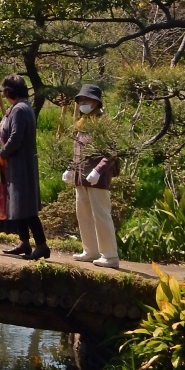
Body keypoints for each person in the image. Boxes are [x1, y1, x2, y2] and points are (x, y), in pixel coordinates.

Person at [62, 83, 119, 269]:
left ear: (96, 102)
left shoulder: (105, 123)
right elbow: (77, 150)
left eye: (86, 99)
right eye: (81, 100)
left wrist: (98, 170)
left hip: (97, 178)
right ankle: (90, 251)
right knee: (83, 214)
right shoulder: (81, 123)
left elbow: (111, 151)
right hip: (81, 176)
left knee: (101, 215)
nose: (83, 103)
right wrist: (71, 168)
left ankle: (110, 256)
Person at [0, 74, 49, 260]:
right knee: (17, 205)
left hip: (21, 165)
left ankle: (41, 244)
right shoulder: (25, 108)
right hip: (19, 164)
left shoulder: (19, 110)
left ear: (9, 92)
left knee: (26, 207)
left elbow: (16, 137)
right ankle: (24, 242)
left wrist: (2, 154)